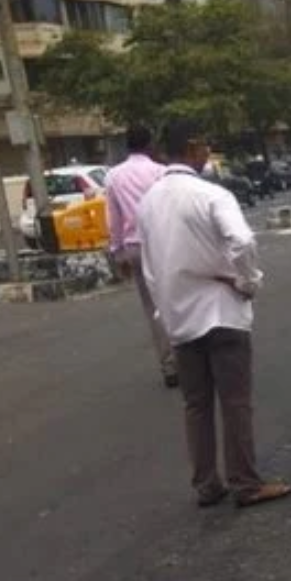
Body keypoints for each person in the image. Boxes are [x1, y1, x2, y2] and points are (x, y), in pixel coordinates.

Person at [138, 119, 291, 510]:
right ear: (192, 148)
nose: (208, 152)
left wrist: (166, 310)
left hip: (180, 317)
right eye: (205, 144)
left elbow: (150, 268)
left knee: (196, 404)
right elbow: (242, 241)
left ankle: (206, 483)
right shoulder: (211, 194)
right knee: (235, 401)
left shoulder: (149, 202)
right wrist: (248, 282)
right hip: (221, 310)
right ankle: (245, 482)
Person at [104, 124, 178, 387]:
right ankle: (187, 354)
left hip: (135, 246)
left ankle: (169, 363)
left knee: (152, 306)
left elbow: (113, 218)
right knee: (176, 298)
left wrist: (117, 252)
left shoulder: (113, 176)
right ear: (150, 145)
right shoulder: (161, 172)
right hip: (164, 241)